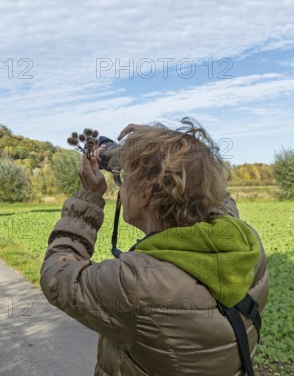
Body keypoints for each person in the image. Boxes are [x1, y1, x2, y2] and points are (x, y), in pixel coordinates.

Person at [40, 118, 269, 376]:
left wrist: (89, 199)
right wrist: (149, 151)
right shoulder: (247, 245)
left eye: (124, 179)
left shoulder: (138, 283)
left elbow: (57, 277)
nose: (121, 186)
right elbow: (209, 194)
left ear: (146, 194)